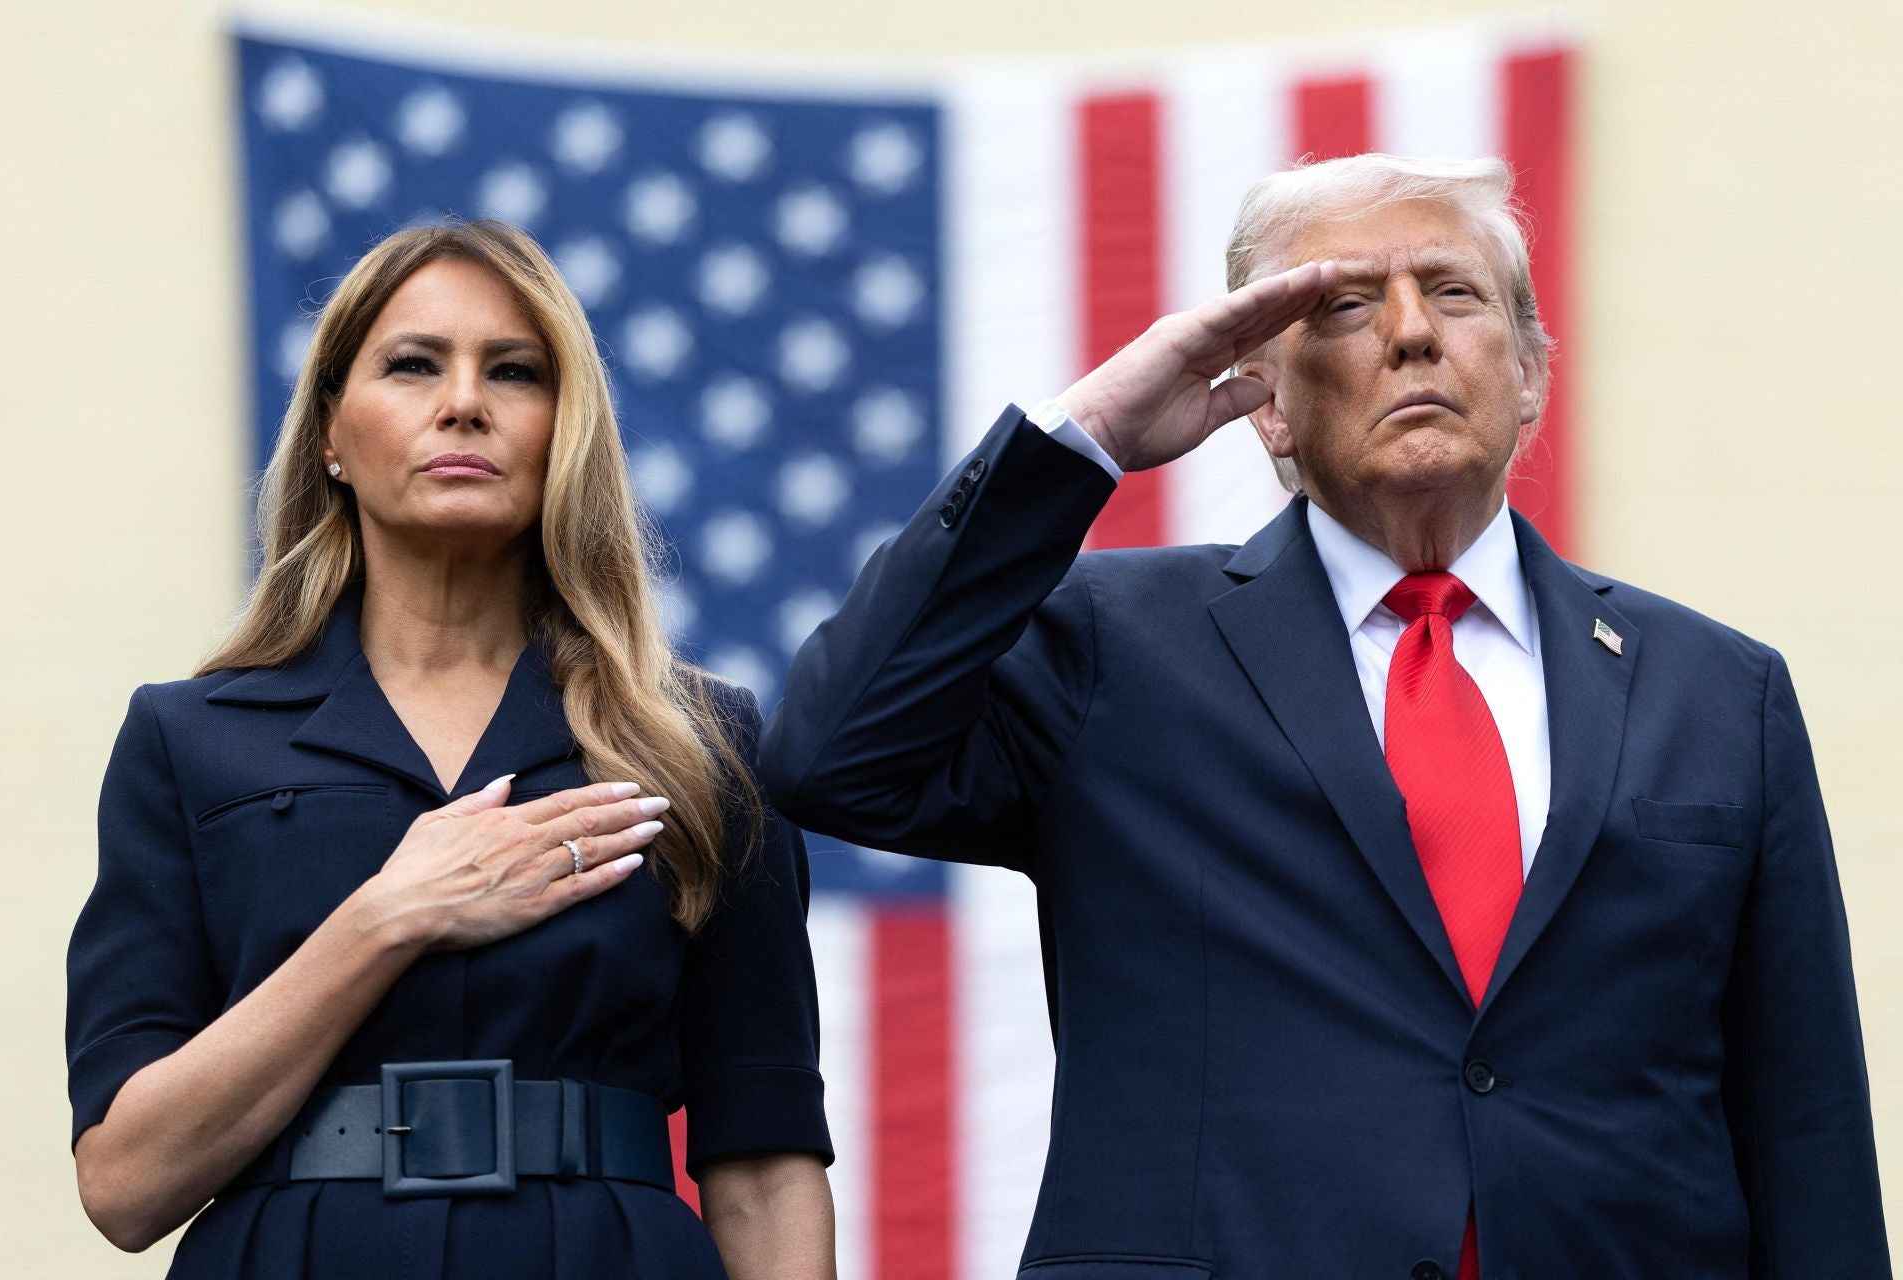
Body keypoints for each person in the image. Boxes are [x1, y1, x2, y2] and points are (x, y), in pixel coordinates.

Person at [758, 155, 1888, 1278]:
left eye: (1454, 292)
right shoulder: (1115, 645)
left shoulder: (1718, 688)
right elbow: (829, 751)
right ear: (1267, 406)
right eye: (1344, 306)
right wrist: (1081, 438)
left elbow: (1807, 1126)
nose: (1409, 333)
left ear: (1532, 372)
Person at [66, 220, 835, 1279]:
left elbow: (765, 1166)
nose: (464, 400)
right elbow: (123, 1183)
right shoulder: (186, 739)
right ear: (332, 430)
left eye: (514, 371)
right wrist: (391, 915)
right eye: (414, 363)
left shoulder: (700, 743)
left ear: (565, 430)